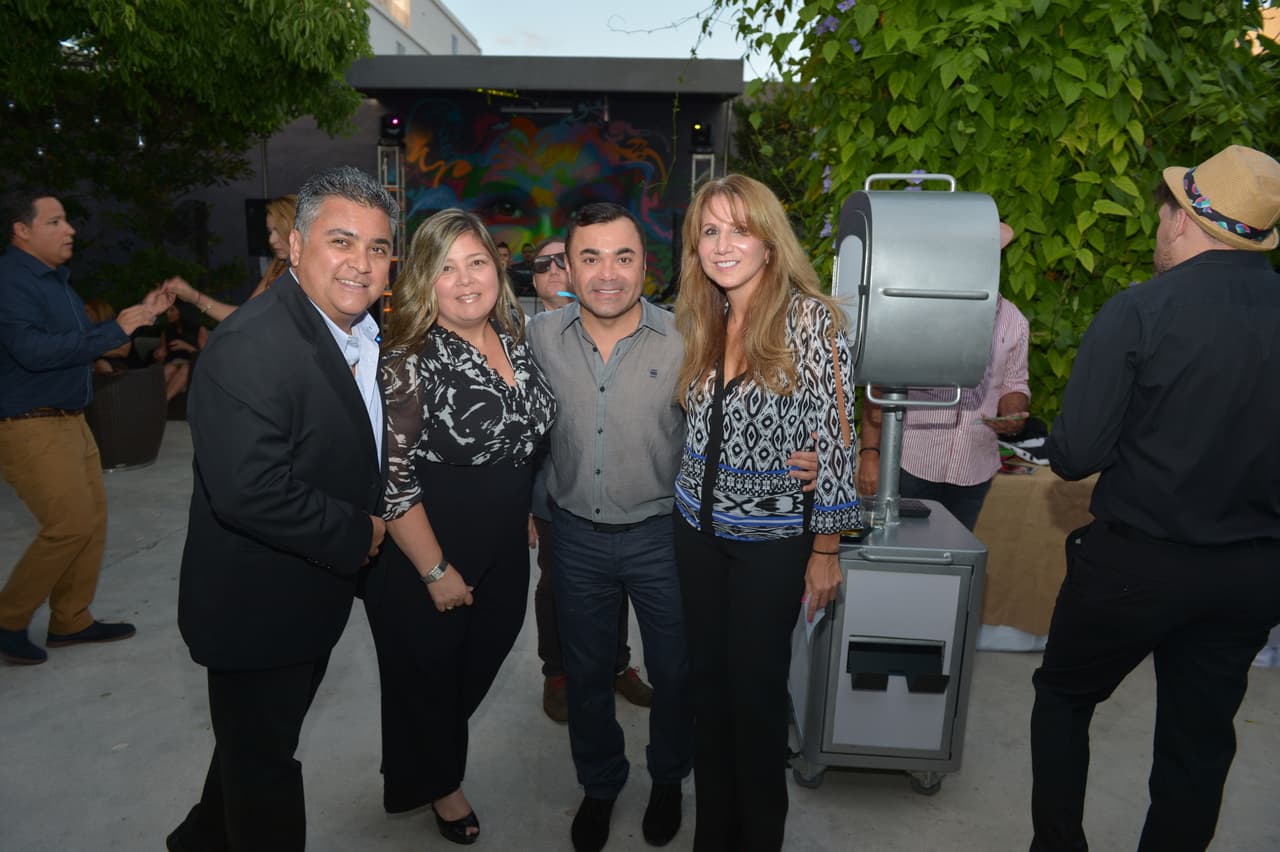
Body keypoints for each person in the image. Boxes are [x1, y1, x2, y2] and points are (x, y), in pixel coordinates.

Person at [525, 201, 820, 852]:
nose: (608, 273)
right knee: (588, 670)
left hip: (668, 537)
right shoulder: (539, 339)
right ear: (566, 267)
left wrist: (813, 452)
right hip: (574, 536)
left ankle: (667, 779)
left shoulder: (690, 336)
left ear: (645, 266)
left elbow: (752, 411)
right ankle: (600, 786)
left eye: (623, 257)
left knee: (679, 672)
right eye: (591, 257)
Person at [1028, 144, 1280, 852]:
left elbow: (1075, 455)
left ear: (1180, 222)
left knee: (1063, 698)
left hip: (1137, 564)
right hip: (1252, 573)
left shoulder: (1141, 309)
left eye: (1163, 211)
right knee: (1199, 745)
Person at [166, 167, 393, 852]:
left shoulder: (350, 327)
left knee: (253, 740)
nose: (360, 263)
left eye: (378, 248)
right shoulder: (254, 345)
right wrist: (362, 532)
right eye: (341, 242)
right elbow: (249, 489)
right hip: (255, 607)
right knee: (265, 766)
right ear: (296, 248)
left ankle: (200, 839)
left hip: (304, 597)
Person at [671, 174, 860, 852]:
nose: (724, 244)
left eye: (739, 228)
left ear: (769, 240)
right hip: (694, 536)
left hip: (771, 544)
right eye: (711, 230)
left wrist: (826, 548)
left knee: (753, 703)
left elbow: (839, 439)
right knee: (708, 695)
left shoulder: (811, 320)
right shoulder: (704, 314)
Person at [368, 208, 556, 845]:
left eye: (477, 262)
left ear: (498, 270)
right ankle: (440, 784)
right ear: (425, 280)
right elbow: (392, 484)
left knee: (482, 659)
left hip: (505, 543)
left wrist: (525, 506)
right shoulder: (406, 358)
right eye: (446, 268)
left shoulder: (514, 336)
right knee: (428, 676)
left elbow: (524, 440)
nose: (466, 279)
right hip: (431, 549)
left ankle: (421, 760)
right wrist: (435, 569)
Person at [0, 190, 171, 666]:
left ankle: (70, 619)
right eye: (55, 221)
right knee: (69, 524)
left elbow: (77, 344)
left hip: (69, 421)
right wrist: (117, 327)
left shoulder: (55, 282)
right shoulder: (12, 280)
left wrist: (142, 316)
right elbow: (34, 352)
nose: (70, 229)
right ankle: (7, 618)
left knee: (90, 522)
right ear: (22, 229)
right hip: (29, 424)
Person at [526, 235, 653, 723]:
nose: (556, 270)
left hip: (623, 492)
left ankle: (616, 664)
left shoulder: (635, 330)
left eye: (566, 260)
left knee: (615, 582)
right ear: (533, 278)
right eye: (545, 264)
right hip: (555, 493)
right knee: (557, 585)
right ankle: (557, 672)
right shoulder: (530, 337)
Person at [857, 222, 1030, 530]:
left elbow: (1015, 383)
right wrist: (870, 453)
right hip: (910, 462)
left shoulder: (1013, 320)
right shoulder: (918, 310)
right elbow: (881, 383)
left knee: (952, 562)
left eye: (987, 254)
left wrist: (1013, 412)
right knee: (901, 557)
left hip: (974, 468)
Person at [165, 194, 298, 322]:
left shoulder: (311, 271)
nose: (271, 240)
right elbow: (244, 315)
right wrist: (194, 297)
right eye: (270, 232)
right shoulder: (278, 265)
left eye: (278, 231)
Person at [154, 303, 208, 401]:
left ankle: (162, 402)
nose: (167, 313)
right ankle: (152, 401)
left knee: (185, 368)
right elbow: (162, 354)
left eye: (172, 310)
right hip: (173, 363)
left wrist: (186, 347)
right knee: (170, 368)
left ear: (182, 312)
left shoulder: (199, 329)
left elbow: (205, 357)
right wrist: (159, 354)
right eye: (167, 310)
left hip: (192, 365)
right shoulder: (166, 331)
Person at [83, 298, 134, 374]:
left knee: (101, 364)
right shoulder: (87, 331)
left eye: (86, 311)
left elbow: (123, 351)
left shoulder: (117, 326)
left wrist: (93, 349)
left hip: (124, 365)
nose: (82, 314)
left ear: (98, 312)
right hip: (98, 364)